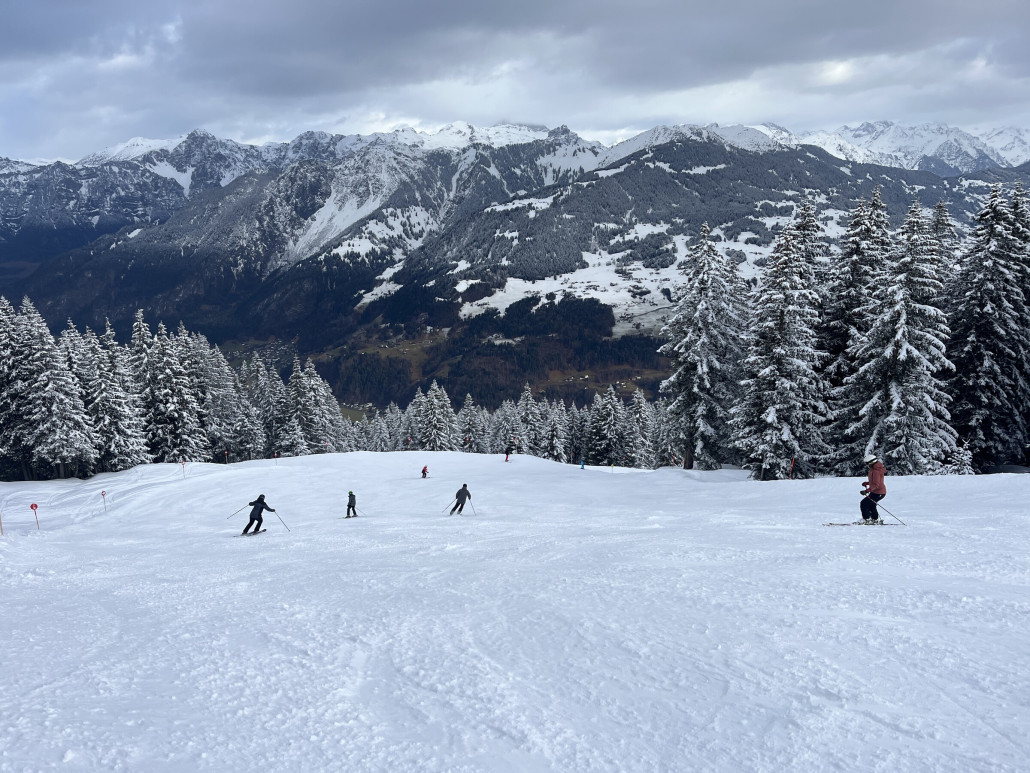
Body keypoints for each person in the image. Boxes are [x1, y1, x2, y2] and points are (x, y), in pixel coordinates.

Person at [860, 454, 887, 523]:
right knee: (871, 504)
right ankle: (874, 519)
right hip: (876, 492)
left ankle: (867, 519)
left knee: (864, 503)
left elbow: (876, 485)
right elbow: (875, 481)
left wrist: (867, 490)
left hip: (879, 492)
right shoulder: (874, 469)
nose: (866, 465)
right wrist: (867, 483)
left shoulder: (876, 471)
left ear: (871, 462)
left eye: (867, 463)